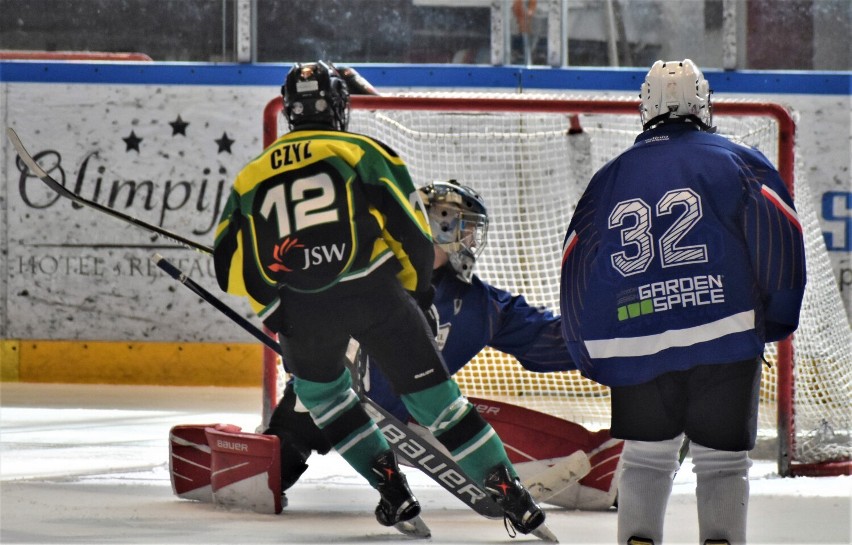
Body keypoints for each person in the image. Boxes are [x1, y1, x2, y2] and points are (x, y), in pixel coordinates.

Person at [213, 60, 548, 537]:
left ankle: (394, 492)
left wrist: (274, 308)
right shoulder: (364, 151)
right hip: (374, 293)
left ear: (287, 111)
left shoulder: (250, 177)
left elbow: (228, 266)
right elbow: (412, 229)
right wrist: (412, 293)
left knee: (325, 399)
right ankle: (514, 494)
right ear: (341, 107)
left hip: (304, 311)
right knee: (441, 406)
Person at [559, 59, 806, 545]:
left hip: (636, 342)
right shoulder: (740, 159)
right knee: (722, 462)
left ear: (645, 107)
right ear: (704, 103)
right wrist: (773, 320)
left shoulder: (608, 178)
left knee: (646, 457)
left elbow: (575, 264)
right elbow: (780, 239)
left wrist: (585, 348)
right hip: (725, 333)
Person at [265, 179, 623, 511]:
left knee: (470, 425)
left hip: (417, 420)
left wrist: (622, 332)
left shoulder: (478, 303)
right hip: (330, 407)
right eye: (465, 228)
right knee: (276, 460)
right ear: (440, 224)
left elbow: (551, 341)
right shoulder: (365, 276)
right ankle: (265, 458)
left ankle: (604, 465)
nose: (470, 241)